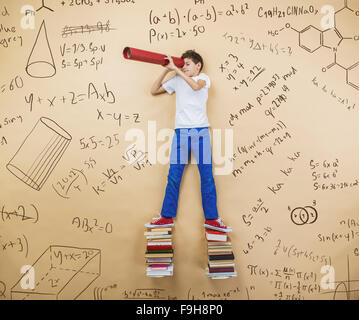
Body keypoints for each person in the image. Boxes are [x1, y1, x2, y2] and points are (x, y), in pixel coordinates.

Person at [145, 50, 231, 233]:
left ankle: (212, 218)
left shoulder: (204, 78)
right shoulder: (176, 79)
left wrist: (177, 68)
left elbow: (195, 87)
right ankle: (166, 217)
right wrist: (166, 70)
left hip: (201, 131)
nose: (184, 67)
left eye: (188, 64)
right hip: (181, 132)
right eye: (183, 64)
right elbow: (153, 90)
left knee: (206, 176)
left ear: (198, 65)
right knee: (174, 175)